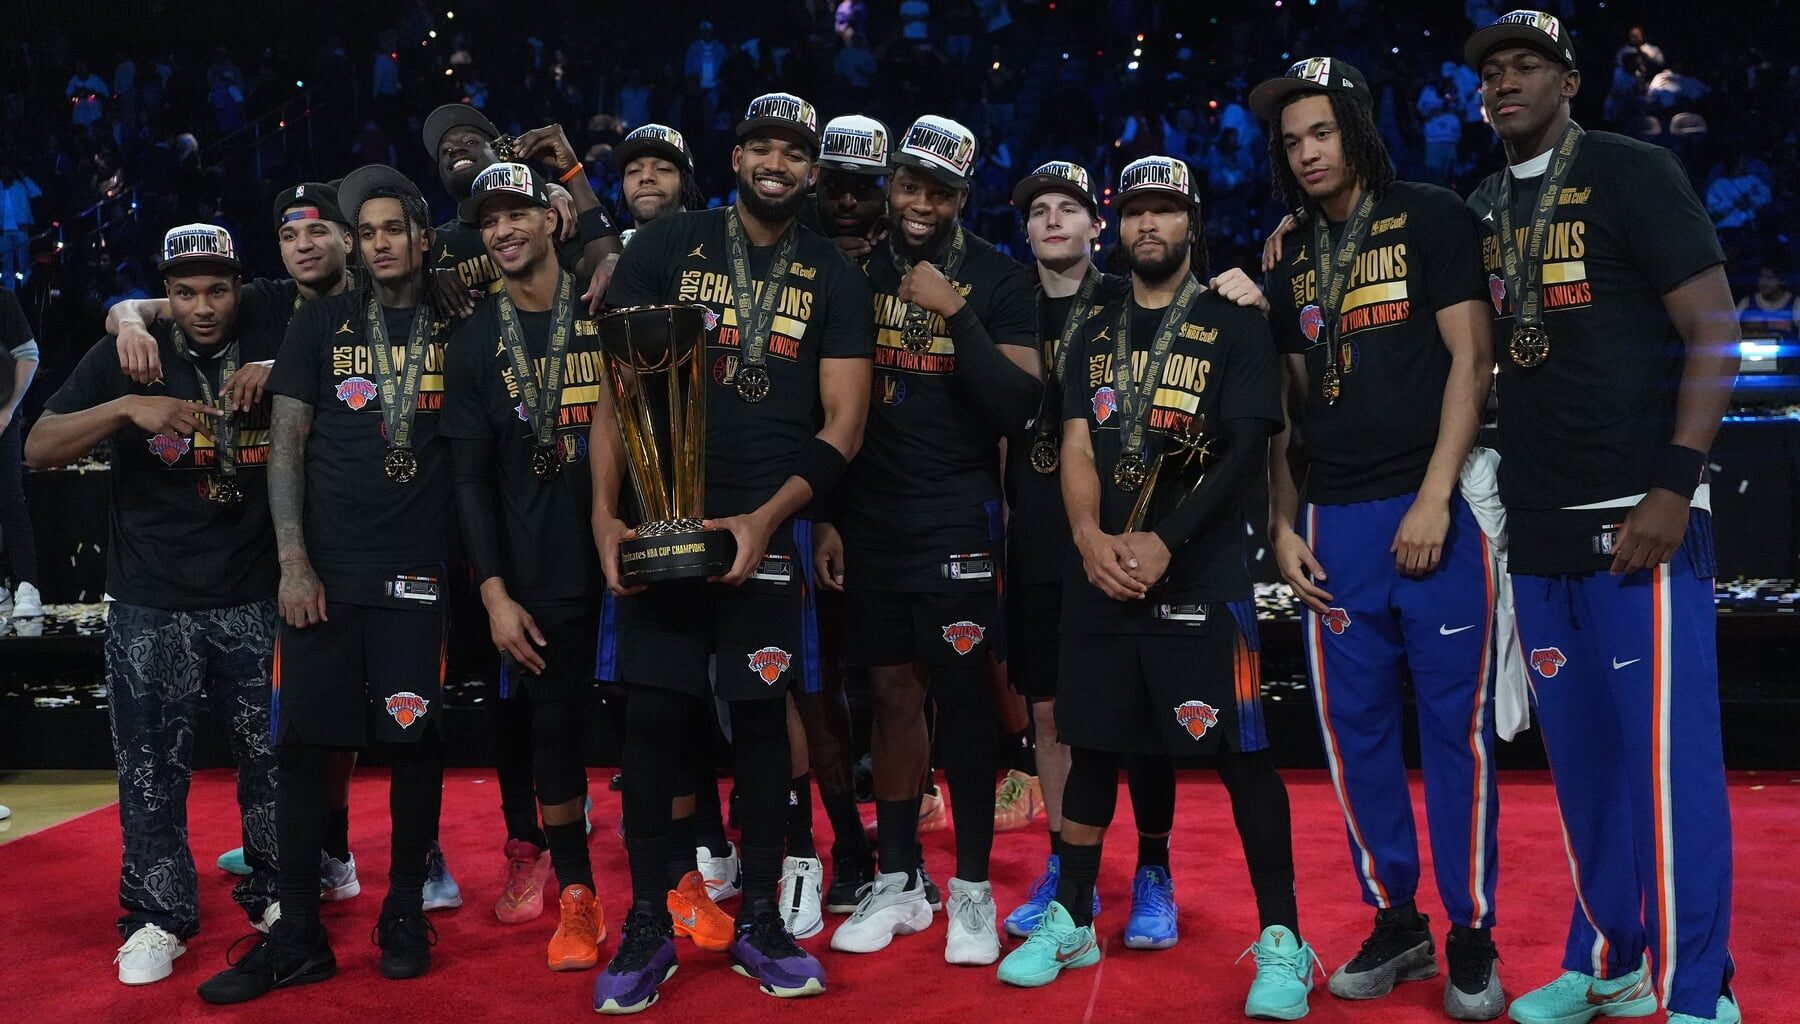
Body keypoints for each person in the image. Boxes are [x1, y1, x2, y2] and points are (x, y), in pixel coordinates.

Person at [1465, 12, 1741, 1024]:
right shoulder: (1483, 202)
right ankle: (1614, 960)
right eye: (1491, 70)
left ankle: (1699, 992)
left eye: (1525, 64)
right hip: (1538, 533)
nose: (1505, 82)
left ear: (1570, 80)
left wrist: (1675, 483)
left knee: (1671, 773)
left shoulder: (1629, 172)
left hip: (1642, 521)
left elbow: (1716, 327)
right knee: (1583, 775)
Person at [995, 156, 1315, 1023]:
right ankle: (1071, 918)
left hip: (1205, 578)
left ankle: (1283, 938)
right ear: (1117, 225)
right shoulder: (1092, 330)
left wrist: (1166, 543)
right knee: (1094, 745)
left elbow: (1249, 450)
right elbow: (1072, 443)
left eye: (1165, 212)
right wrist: (1091, 540)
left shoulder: (1234, 323)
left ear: (1192, 224)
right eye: (1134, 212)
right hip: (1100, 575)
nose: (1147, 226)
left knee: (1245, 757)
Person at [590, 91, 872, 1012]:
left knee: (759, 720)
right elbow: (614, 394)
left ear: (815, 170)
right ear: (737, 156)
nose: (777, 163)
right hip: (662, 520)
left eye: (795, 151)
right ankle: (644, 924)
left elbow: (844, 426)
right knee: (654, 723)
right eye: (761, 146)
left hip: (765, 529)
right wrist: (604, 516)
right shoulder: (669, 244)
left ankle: (758, 918)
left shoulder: (832, 272)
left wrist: (768, 520)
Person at [1250, 56, 1505, 1020]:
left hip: (1429, 506)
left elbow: (1472, 359)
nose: (1307, 153)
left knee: (1454, 735)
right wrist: (1280, 524)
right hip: (1334, 523)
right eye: (1291, 142)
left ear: (1357, 128)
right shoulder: (1287, 257)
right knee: (1354, 736)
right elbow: (1276, 414)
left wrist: (1436, 499)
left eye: (1321, 132)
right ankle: (1395, 919)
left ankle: (1471, 930)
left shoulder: (1434, 217)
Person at [196, 165, 462, 1003]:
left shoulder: (460, 324)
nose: (381, 243)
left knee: (414, 746)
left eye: (394, 229)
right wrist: (293, 561)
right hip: (326, 577)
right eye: (369, 231)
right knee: (306, 749)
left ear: (422, 237)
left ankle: (404, 913)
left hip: (419, 575)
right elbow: (288, 444)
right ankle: (302, 933)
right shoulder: (320, 326)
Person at [25, 224, 284, 986]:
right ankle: (155, 917)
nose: (203, 307)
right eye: (184, 292)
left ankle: (276, 893)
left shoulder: (274, 326)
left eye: (218, 289)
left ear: (242, 288)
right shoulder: (125, 354)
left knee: (272, 761)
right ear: (164, 296)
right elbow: (37, 446)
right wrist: (124, 412)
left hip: (254, 589)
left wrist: (276, 365)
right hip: (151, 598)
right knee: (148, 770)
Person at [105, 182, 373, 901]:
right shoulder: (254, 305)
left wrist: (281, 368)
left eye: (318, 233)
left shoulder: (379, 297)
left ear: (351, 239)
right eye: (289, 236)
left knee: (313, 739)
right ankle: (176, 907)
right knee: (179, 759)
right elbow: (144, 308)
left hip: (335, 546)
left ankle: (316, 870)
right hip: (222, 574)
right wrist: (126, 325)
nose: (203, 306)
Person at [823, 114, 1041, 968]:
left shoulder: (998, 278)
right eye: (908, 186)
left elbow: (1016, 407)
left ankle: (975, 892)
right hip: (870, 519)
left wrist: (957, 316)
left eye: (938, 191)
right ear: (892, 187)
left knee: (961, 699)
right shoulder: (854, 273)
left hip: (956, 517)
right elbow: (827, 406)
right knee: (890, 697)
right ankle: (901, 880)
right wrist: (830, 514)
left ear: (962, 197)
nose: (919, 203)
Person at [421, 102, 618, 924]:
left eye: (517, 214)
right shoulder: (468, 345)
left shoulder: (608, 310)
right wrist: (495, 590)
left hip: (625, 549)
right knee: (553, 729)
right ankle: (575, 889)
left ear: (552, 218)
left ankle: (684, 880)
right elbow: (468, 480)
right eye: (489, 221)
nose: (503, 231)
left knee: (658, 719)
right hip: (538, 563)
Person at [999, 157, 1203, 953]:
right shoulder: (1007, 305)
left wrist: (1251, 286)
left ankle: (1153, 871)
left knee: (1142, 715)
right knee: (1049, 710)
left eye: (1069, 208)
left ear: (1098, 227)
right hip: (1040, 534)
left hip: (1126, 528)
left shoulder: (1134, 297)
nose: (1052, 219)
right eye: (1038, 209)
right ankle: (1064, 865)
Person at [0, 286, 41, 619]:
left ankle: (27, 585)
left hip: (0, 416)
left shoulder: (2, 299)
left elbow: (28, 354)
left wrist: (8, 409)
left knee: (10, 500)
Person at [1736, 259, 1800, 346]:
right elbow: (1732, 331)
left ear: (1782, 280)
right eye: (1761, 277)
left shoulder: (1796, 303)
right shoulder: (1746, 303)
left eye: (1769, 278)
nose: (1763, 282)